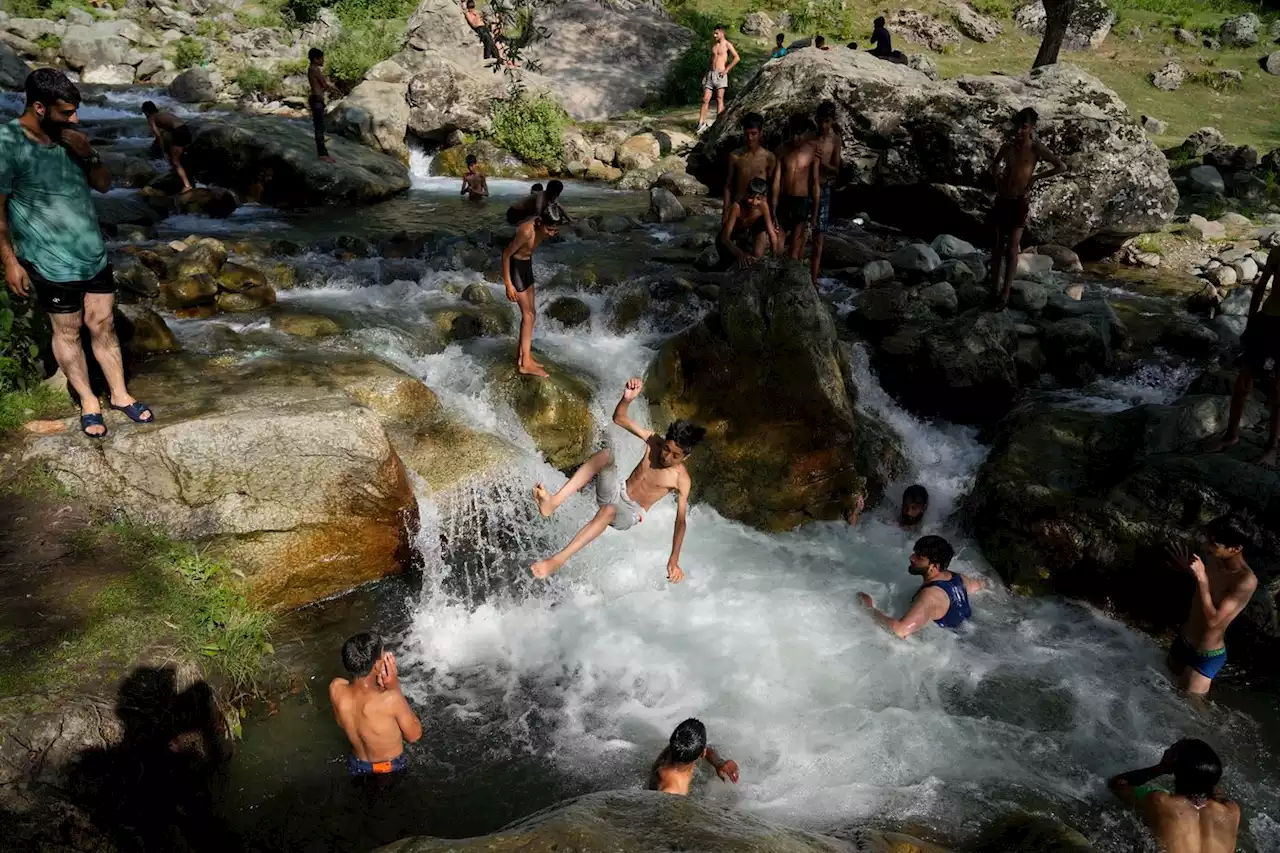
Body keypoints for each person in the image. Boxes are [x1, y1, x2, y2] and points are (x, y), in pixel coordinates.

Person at [1, 69, 152, 439]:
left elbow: (103, 186)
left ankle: (120, 394)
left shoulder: (73, 140)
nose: (75, 119)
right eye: (66, 112)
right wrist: (9, 261)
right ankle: (88, 400)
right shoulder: (8, 142)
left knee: (103, 324)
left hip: (91, 251)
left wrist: (89, 152)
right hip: (48, 258)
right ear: (39, 107)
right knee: (67, 331)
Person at [531, 378, 705, 582]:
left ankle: (557, 560)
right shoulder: (654, 442)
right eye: (667, 449)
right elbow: (619, 418)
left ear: (686, 456)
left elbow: (681, 522)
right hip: (615, 490)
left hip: (630, 512)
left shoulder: (681, 479)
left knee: (609, 510)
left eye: (675, 455)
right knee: (606, 455)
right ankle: (553, 502)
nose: (666, 457)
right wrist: (627, 399)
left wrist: (673, 560)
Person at [1164, 515, 1258, 695]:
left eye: (1214, 543)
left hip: (1205, 655)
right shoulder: (1215, 558)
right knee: (1161, 690)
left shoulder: (1245, 581)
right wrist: (1187, 569)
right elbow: (1209, 589)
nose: (1207, 546)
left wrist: (1201, 578)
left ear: (1235, 548)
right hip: (1184, 640)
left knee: (1188, 710)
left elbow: (1214, 621)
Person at [987, 107, 1067, 308]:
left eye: (1024, 127)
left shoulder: (1035, 149)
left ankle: (1005, 294)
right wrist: (997, 180)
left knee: (1012, 248)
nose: (1019, 131)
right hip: (1002, 198)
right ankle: (993, 289)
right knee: (997, 247)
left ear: (1031, 128)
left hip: (1019, 200)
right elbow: (994, 165)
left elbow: (1061, 166)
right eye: (1017, 127)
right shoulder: (1008, 147)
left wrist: (1036, 178)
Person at [1209, 249, 1280, 466]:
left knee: (1277, 387)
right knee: (1244, 380)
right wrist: (1251, 322)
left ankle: (1271, 447)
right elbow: (1259, 288)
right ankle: (1231, 434)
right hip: (1266, 322)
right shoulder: (1277, 252)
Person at [1108, 739, 1240, 853]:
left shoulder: (1161, 801)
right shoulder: (1232, 811)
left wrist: (1160, 768)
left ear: (1173, 766)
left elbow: (1118, 784)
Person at [329, 632, 423, 779]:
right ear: (377, 665)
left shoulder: (336, 688)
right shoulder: (391, 699)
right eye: (382, 652)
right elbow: (414, 735)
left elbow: (342, 722)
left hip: (356, 766)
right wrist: (394, 687)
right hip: (391, 771)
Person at [858, 535, 988, 638]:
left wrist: (869, 608)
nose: (911, 558)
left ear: (934, 566)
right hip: (965, 634)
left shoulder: (930, 596)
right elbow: (983, 584)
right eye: (915, 553)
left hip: (949, 646)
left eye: (919, 557)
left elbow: (900, 631)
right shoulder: (958, 578)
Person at [502, 210, 559, 378]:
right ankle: (525, 364)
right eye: (549, 229)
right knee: (527, 315)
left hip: (527, 266)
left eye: (555, 230)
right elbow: (506, 254)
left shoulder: (545, 224)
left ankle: (522, 356)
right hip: (516, 268)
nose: (551, 233)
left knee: (532, 314)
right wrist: (508, 284)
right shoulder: (526, 231)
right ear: (540, 222)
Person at [772, 113, 820, 261]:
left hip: (802, 200)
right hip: (784, 198)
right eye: (793, 134)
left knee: (795, 246)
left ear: (806, 133)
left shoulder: (812, 152)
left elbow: (815, 183)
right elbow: (776, 181)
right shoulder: (781, 150)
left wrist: (815, 213)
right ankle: (772, 276)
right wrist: (773, 208)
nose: (795, 138)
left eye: (799, 134)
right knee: (778, 243)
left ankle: (791, 278)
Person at [647, 719, 739, 796]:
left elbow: (707, 750)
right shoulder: (673, 791)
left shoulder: (676, 747)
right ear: (702, 753)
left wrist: (719, 763)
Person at [807, 101, 841, 286]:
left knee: (819, 237)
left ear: (832, 121)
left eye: (827, 121)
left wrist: (822, 163)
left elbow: (836, 170)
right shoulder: (810, 137)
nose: (823, 126)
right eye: (820, 121)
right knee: (799, 231)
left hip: (824, 188)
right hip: (806, 187)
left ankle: (813, 279)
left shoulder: (835, 140)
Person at [723, 112, 776, 224]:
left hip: (759, 209)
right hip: (739, 208)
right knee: (724, 239)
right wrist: (725, 211)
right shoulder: (735, 156)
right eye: (747, 134)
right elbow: (728, 185)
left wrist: (773, 212)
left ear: (761, 133)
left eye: (754, 133)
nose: (750, 138)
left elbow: (772, 187)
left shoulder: (768, 157)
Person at [718, 177, 781, 268]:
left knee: (757, 257)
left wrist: (775, 259)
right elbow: (725, 237)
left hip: (751, 232)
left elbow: (772, 235)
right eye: (751, 198)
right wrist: (739, 253)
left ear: (763, 198)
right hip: (735, 235)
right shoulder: (737, 207)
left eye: (758, 198)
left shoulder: (763, 206)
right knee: (730, 261)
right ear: (746, 194)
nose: (754, 202)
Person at [141, 101, 192, 193]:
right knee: (180, 158)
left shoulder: (151, 118)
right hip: (186, 129)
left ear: (146, 112)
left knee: (175, 161)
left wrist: (163, 150)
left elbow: (158, 136)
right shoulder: (162, 114)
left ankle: (187, 185)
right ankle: (181, 177)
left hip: (179, 133)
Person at [697, 25, 739, 134]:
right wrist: (706, 75)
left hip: (721, 74)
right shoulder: (714, 46)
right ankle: (701, 123)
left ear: (722, 33)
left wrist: (727, 70)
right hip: (711, 74)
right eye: (714, 33)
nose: (714, 35)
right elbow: (711, 61)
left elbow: (737, 57)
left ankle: (718, 124)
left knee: (720, 98)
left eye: (716, 33)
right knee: (705, 99)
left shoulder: (727, 45)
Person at [307, 48, 341, 163]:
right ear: (316, 59)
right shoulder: (314, 69)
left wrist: (330, 87)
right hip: (317, 100)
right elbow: (324, 84)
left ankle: (323, 152)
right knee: (319, 127)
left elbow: (323, 83)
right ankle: (322, 154)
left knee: (320, 126)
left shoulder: (313, 68)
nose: (323, 60)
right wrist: (334, 89)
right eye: (322, 58)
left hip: (316, 100)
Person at [845, 484, 928, 528]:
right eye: (905, 506)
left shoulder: (926, 529)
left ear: (923, 507)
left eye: (914, 508)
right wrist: (856, 512)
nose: (908, 512)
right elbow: (853, 535)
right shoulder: (893, 520)